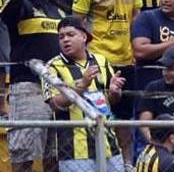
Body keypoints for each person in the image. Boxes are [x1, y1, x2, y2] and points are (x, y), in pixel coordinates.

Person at [3, 0, 65, 172]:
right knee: (24, 151)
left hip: (58, 88)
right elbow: (6, 14)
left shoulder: (58, 8)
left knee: (55, 153)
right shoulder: (22, 6)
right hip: (29, 87)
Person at [72, 0, 139, 130]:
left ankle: (126, 161)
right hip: (100, 59)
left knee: (125, 117)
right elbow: (78, 23)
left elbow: (136, 16)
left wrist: (133, 51)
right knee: (100, 114)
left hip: (126, 59)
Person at [44, 17, 126, 172]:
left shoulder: (102, 61)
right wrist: (82, 84)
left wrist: (115, 92)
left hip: (108, 144)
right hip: (75, 150)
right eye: (61, 37)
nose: (65, 40)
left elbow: (110, 101)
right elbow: (55, 105)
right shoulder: (52, 67)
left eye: (70, 35)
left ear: (84, 36)